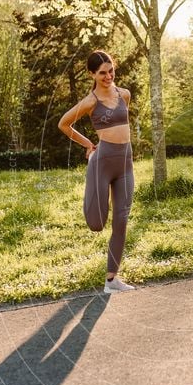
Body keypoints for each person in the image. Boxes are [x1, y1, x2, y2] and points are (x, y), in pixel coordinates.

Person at [58, 51, 136, 293]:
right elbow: (63, 124)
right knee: (96, 224)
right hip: (101, 163)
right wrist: (88, 145)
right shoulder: (91, 102)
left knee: (121, 219)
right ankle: (92, 195)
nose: (108, 76)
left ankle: (112, 280)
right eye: (102, 72)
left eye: (111, 70)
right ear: (92, 74)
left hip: (125, 164)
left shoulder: (124, 94)